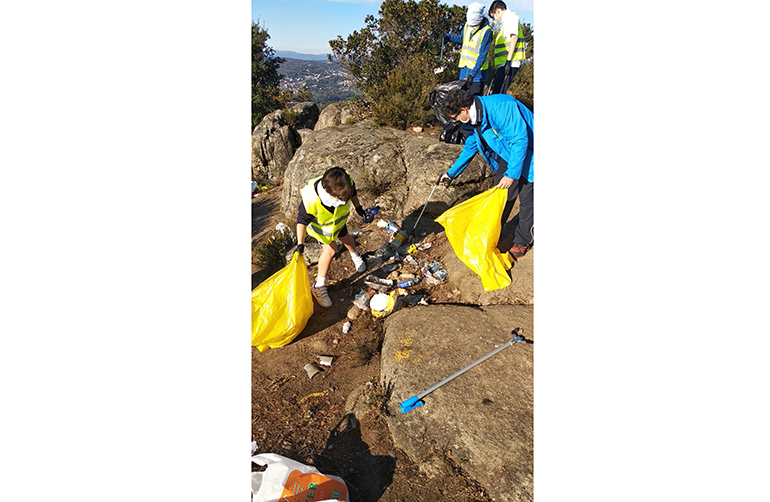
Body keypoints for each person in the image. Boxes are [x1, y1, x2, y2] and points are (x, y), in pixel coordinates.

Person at [437, 87, 533, 259]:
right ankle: (493, 233)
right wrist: (450, 174)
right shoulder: (475, 121)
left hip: (532, 154)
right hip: (509, 154)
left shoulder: (501, 106)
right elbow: (470, 148)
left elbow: (520, 139)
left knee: (528, 201)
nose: (456, 122)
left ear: (463, 109)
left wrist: (511, 174)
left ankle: (523, 240)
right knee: (500, 195)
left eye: (455, 117)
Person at [296, 167, 368, 307]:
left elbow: (353, 193)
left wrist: (358, 208)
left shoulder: (346, 182)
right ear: (326, 191)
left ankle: (356, 257)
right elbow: (301, 222)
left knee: (346, 237)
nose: (342, 201)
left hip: (338, 221)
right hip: (321, 229)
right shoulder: (310, 200)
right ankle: (319, 286)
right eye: (339, 199)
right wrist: (300, 243)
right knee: (331, 250)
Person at [443, 2, 493, 97]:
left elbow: (482, 55)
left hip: (477, 75)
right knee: (462, 101)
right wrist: (448, 37)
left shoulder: (486, 32)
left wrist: (472, 74)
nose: (471, 27)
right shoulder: (467, 26)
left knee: (474, 104)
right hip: (464, 71)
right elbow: (461, 38)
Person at [487, 1, 526, 95]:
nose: (494, 20)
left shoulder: (511, 17)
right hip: (504, 63)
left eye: (493, 16)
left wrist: (508, 62)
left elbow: (514, 38)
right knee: (496, 92)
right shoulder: (505, 22)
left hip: (510, 62)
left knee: (498, 94)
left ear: (498, 10)